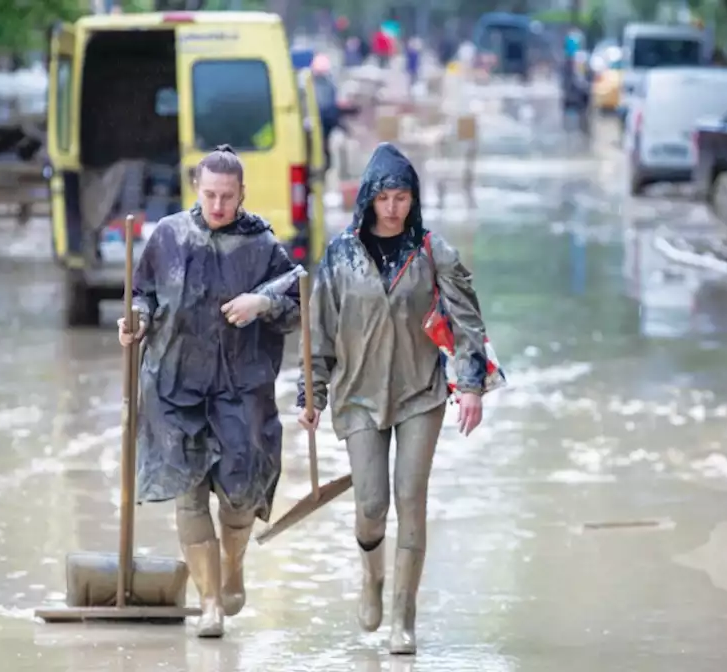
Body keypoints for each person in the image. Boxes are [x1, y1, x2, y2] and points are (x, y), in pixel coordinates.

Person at [297, 143, 491, 655]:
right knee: (371, 504)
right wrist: (310, 393)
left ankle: (403, 620)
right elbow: (317, 331)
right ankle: (372, 580)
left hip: (419, 392)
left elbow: (468, 322)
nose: (392, 208)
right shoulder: (340, 255)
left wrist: (469, 386)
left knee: (410, 498)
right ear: (368, 198)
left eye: (402, 198)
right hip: (358, 396)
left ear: (413, 200)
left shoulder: (432, 252)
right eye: (384, 197)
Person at [117, 145, 302, 639]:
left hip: (241, 389)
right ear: (196, 190)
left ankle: (232, 564)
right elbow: (143, 294)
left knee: (239, 497)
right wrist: (134, 320)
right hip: (175, 386)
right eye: (210, 195)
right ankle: (209, 602)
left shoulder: (262, 245)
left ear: (242, 193)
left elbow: (300, 296)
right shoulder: (168, 236)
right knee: (189, 496)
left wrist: (261, 301)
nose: (218, 205)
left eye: (227, 196)